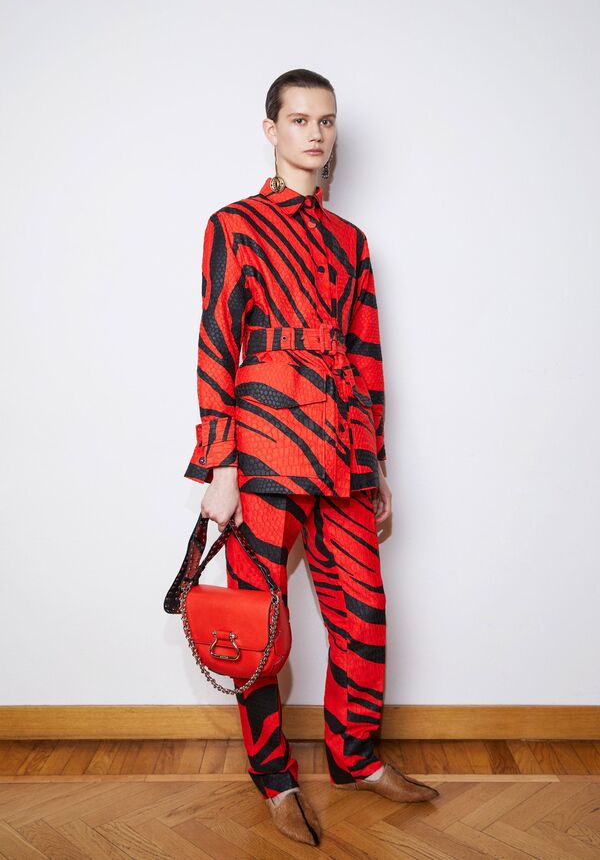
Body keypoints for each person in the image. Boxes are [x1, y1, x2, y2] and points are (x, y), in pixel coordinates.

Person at [184, 68, 439, 847]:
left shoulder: (351, 241)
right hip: (263, 454)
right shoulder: (233, 226)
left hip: (342, 456)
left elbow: (366, 355)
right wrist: (220, 465)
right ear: (272, 130)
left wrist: (378, 461)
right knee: (258, 625)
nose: (316, 134)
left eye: (326, 121)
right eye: (299, 120)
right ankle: (274, 778)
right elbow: (216, 344)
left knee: (363, 613)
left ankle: (354, 759)